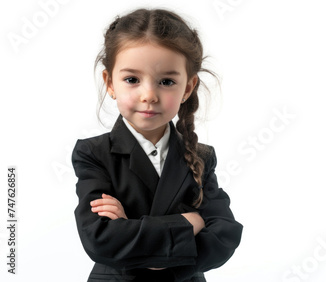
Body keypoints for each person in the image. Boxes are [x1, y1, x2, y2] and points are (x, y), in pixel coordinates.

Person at [72, 8, 243, 282]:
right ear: (110, 83)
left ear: (187, 88)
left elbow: (224, 234)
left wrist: (131, 229)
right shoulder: (93, 154)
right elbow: (100, 239)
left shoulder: (201, 156)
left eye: (166, 81)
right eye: (132, 80)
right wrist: (189, 223)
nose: (149, 95)